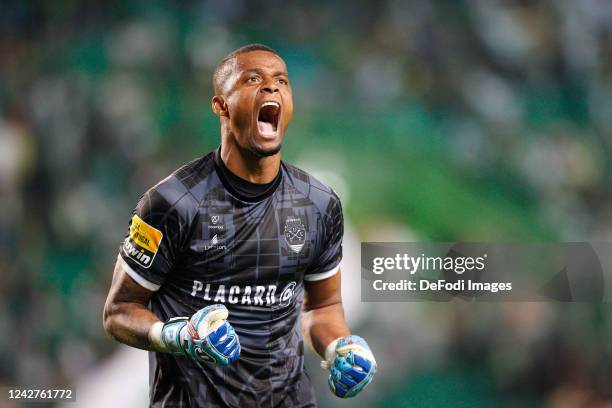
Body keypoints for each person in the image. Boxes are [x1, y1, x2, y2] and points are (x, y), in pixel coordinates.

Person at [103, 43, 377, 407]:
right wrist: (179, 336)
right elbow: (118, 312)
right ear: (221, 106)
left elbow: (322, 309)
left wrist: (341, 347)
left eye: (281, 81)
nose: (271, 88)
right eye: (253, 79)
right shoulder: (172, 203)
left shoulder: (319, 204)